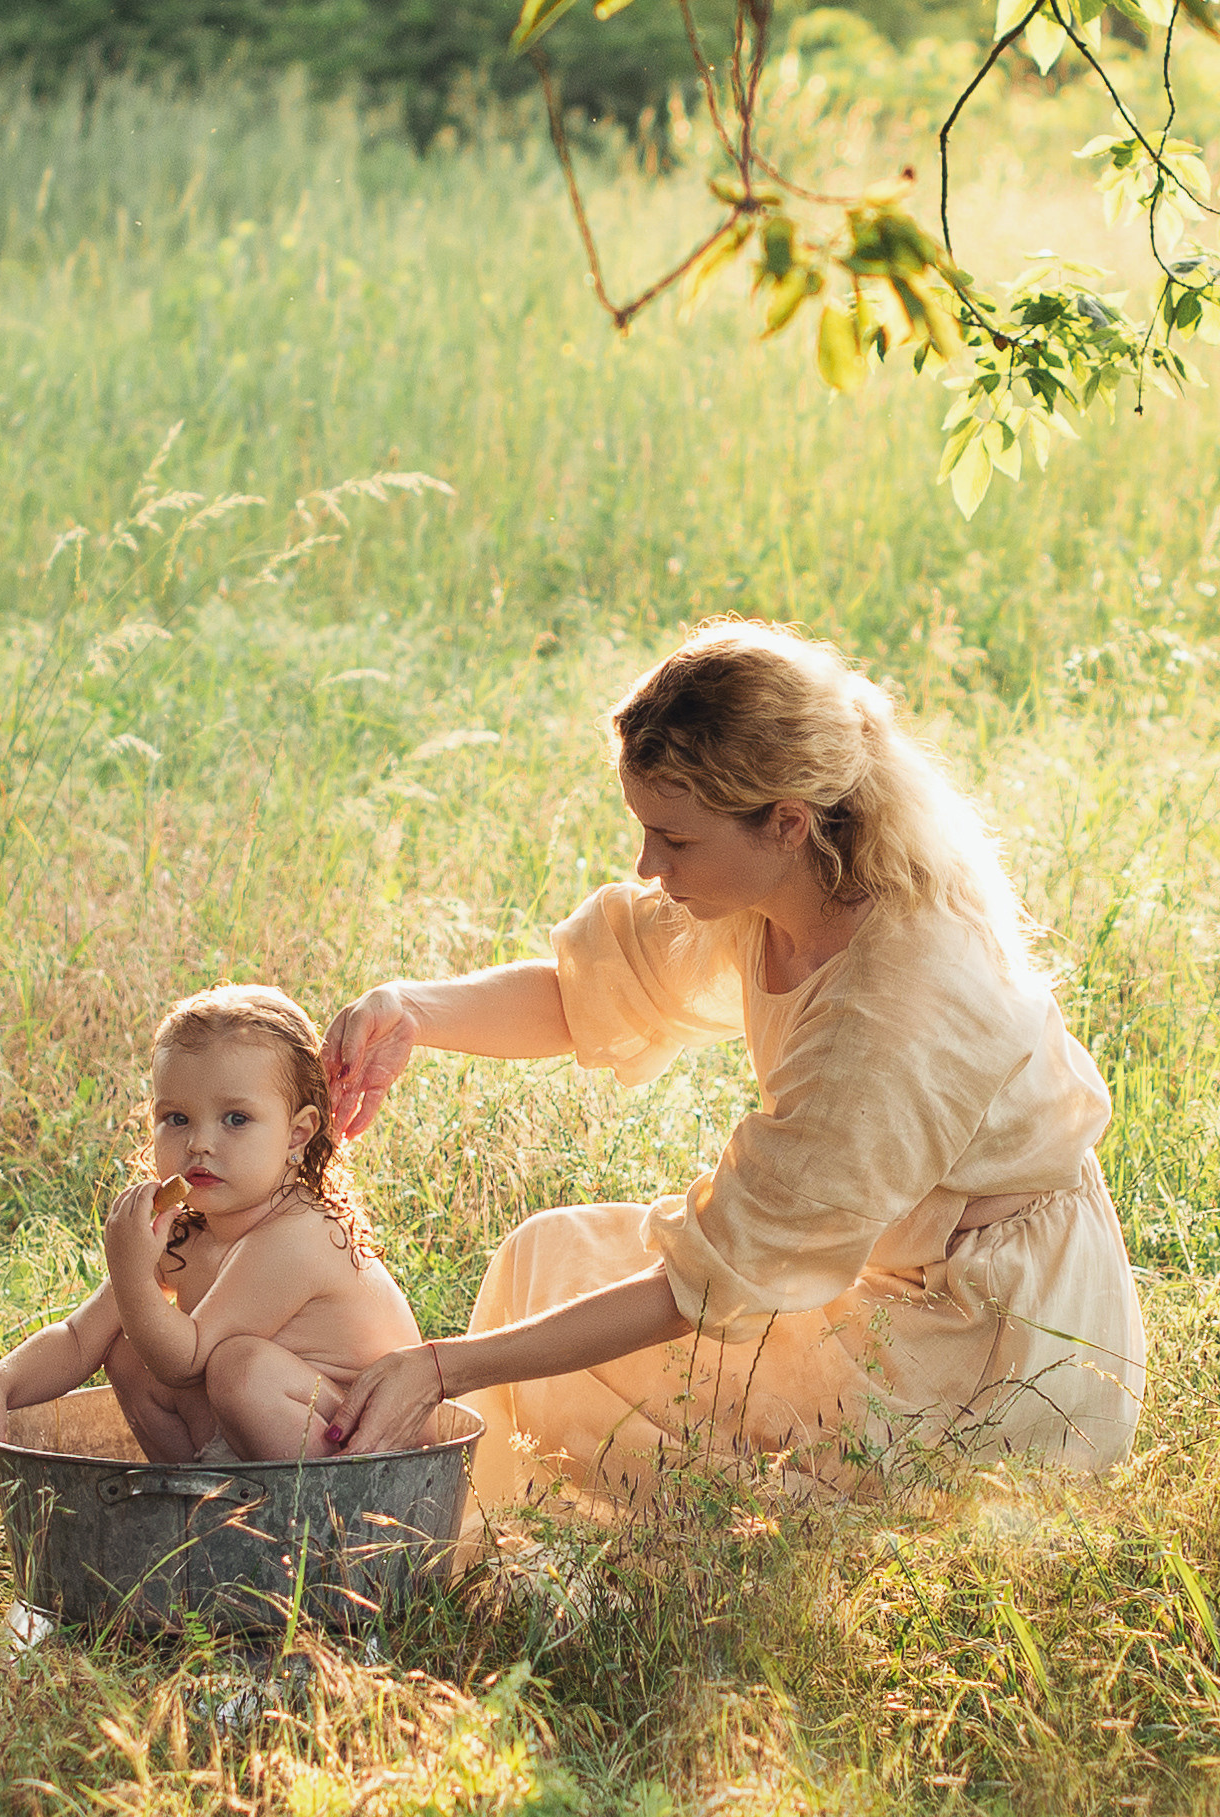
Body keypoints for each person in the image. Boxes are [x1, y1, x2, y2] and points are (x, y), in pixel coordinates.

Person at [320, 618, 1145, 1508]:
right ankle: (532, 1534)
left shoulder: (895, 1003)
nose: (648, 865)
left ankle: (611, 1555)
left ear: (785, 822)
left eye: (674, 840)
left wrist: (444, 1366)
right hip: (882, 1275)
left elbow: (707, 1284)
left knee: (598, 1375)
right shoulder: (779, 889)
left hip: (986, 1344)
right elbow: (592, 989)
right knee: (544, 1259)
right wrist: (409, 1010)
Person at [0, 984, 424, 1465]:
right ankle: (193, 1496)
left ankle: (299, 1509)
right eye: (177, 1118)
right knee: (128, 1349)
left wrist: (133, 1276)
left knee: (240, 1368)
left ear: (296, 1135)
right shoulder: (187, 1235)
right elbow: (77, 1338)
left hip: (371, 1451)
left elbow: (186, 1362)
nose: (199, 1143)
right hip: (277, 1436)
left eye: (235, 1119)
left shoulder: (298, 1234)